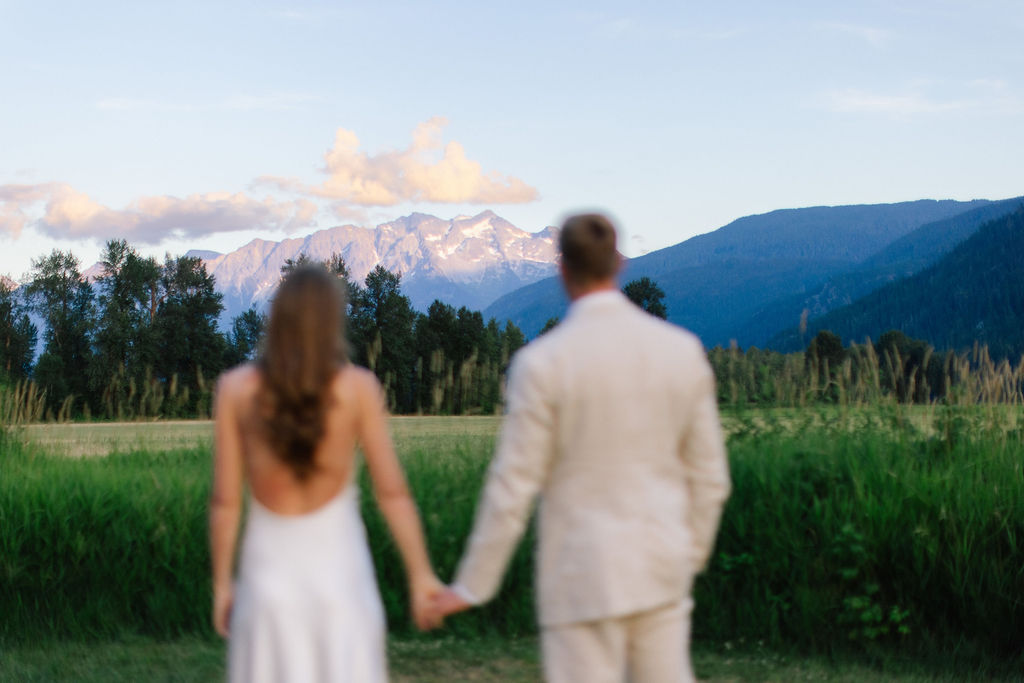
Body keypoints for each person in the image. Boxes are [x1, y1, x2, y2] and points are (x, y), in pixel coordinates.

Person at [430, 214, 732, 682]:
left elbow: (513, 487)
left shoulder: (541, 363)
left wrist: (473, 585)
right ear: (618, 263)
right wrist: (689, 552)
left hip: (579, 575)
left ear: (562, 269)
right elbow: (710, 478)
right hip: (662, 567)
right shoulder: (680, 350)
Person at [209, 265, 443, 683]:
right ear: (332, 321)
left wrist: (223, 585)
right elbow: (393, 494)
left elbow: (225, 503)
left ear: (277, 319)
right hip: (342, 584)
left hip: (268, 588)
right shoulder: (358, 389)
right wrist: (421, 574)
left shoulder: (235, 390)